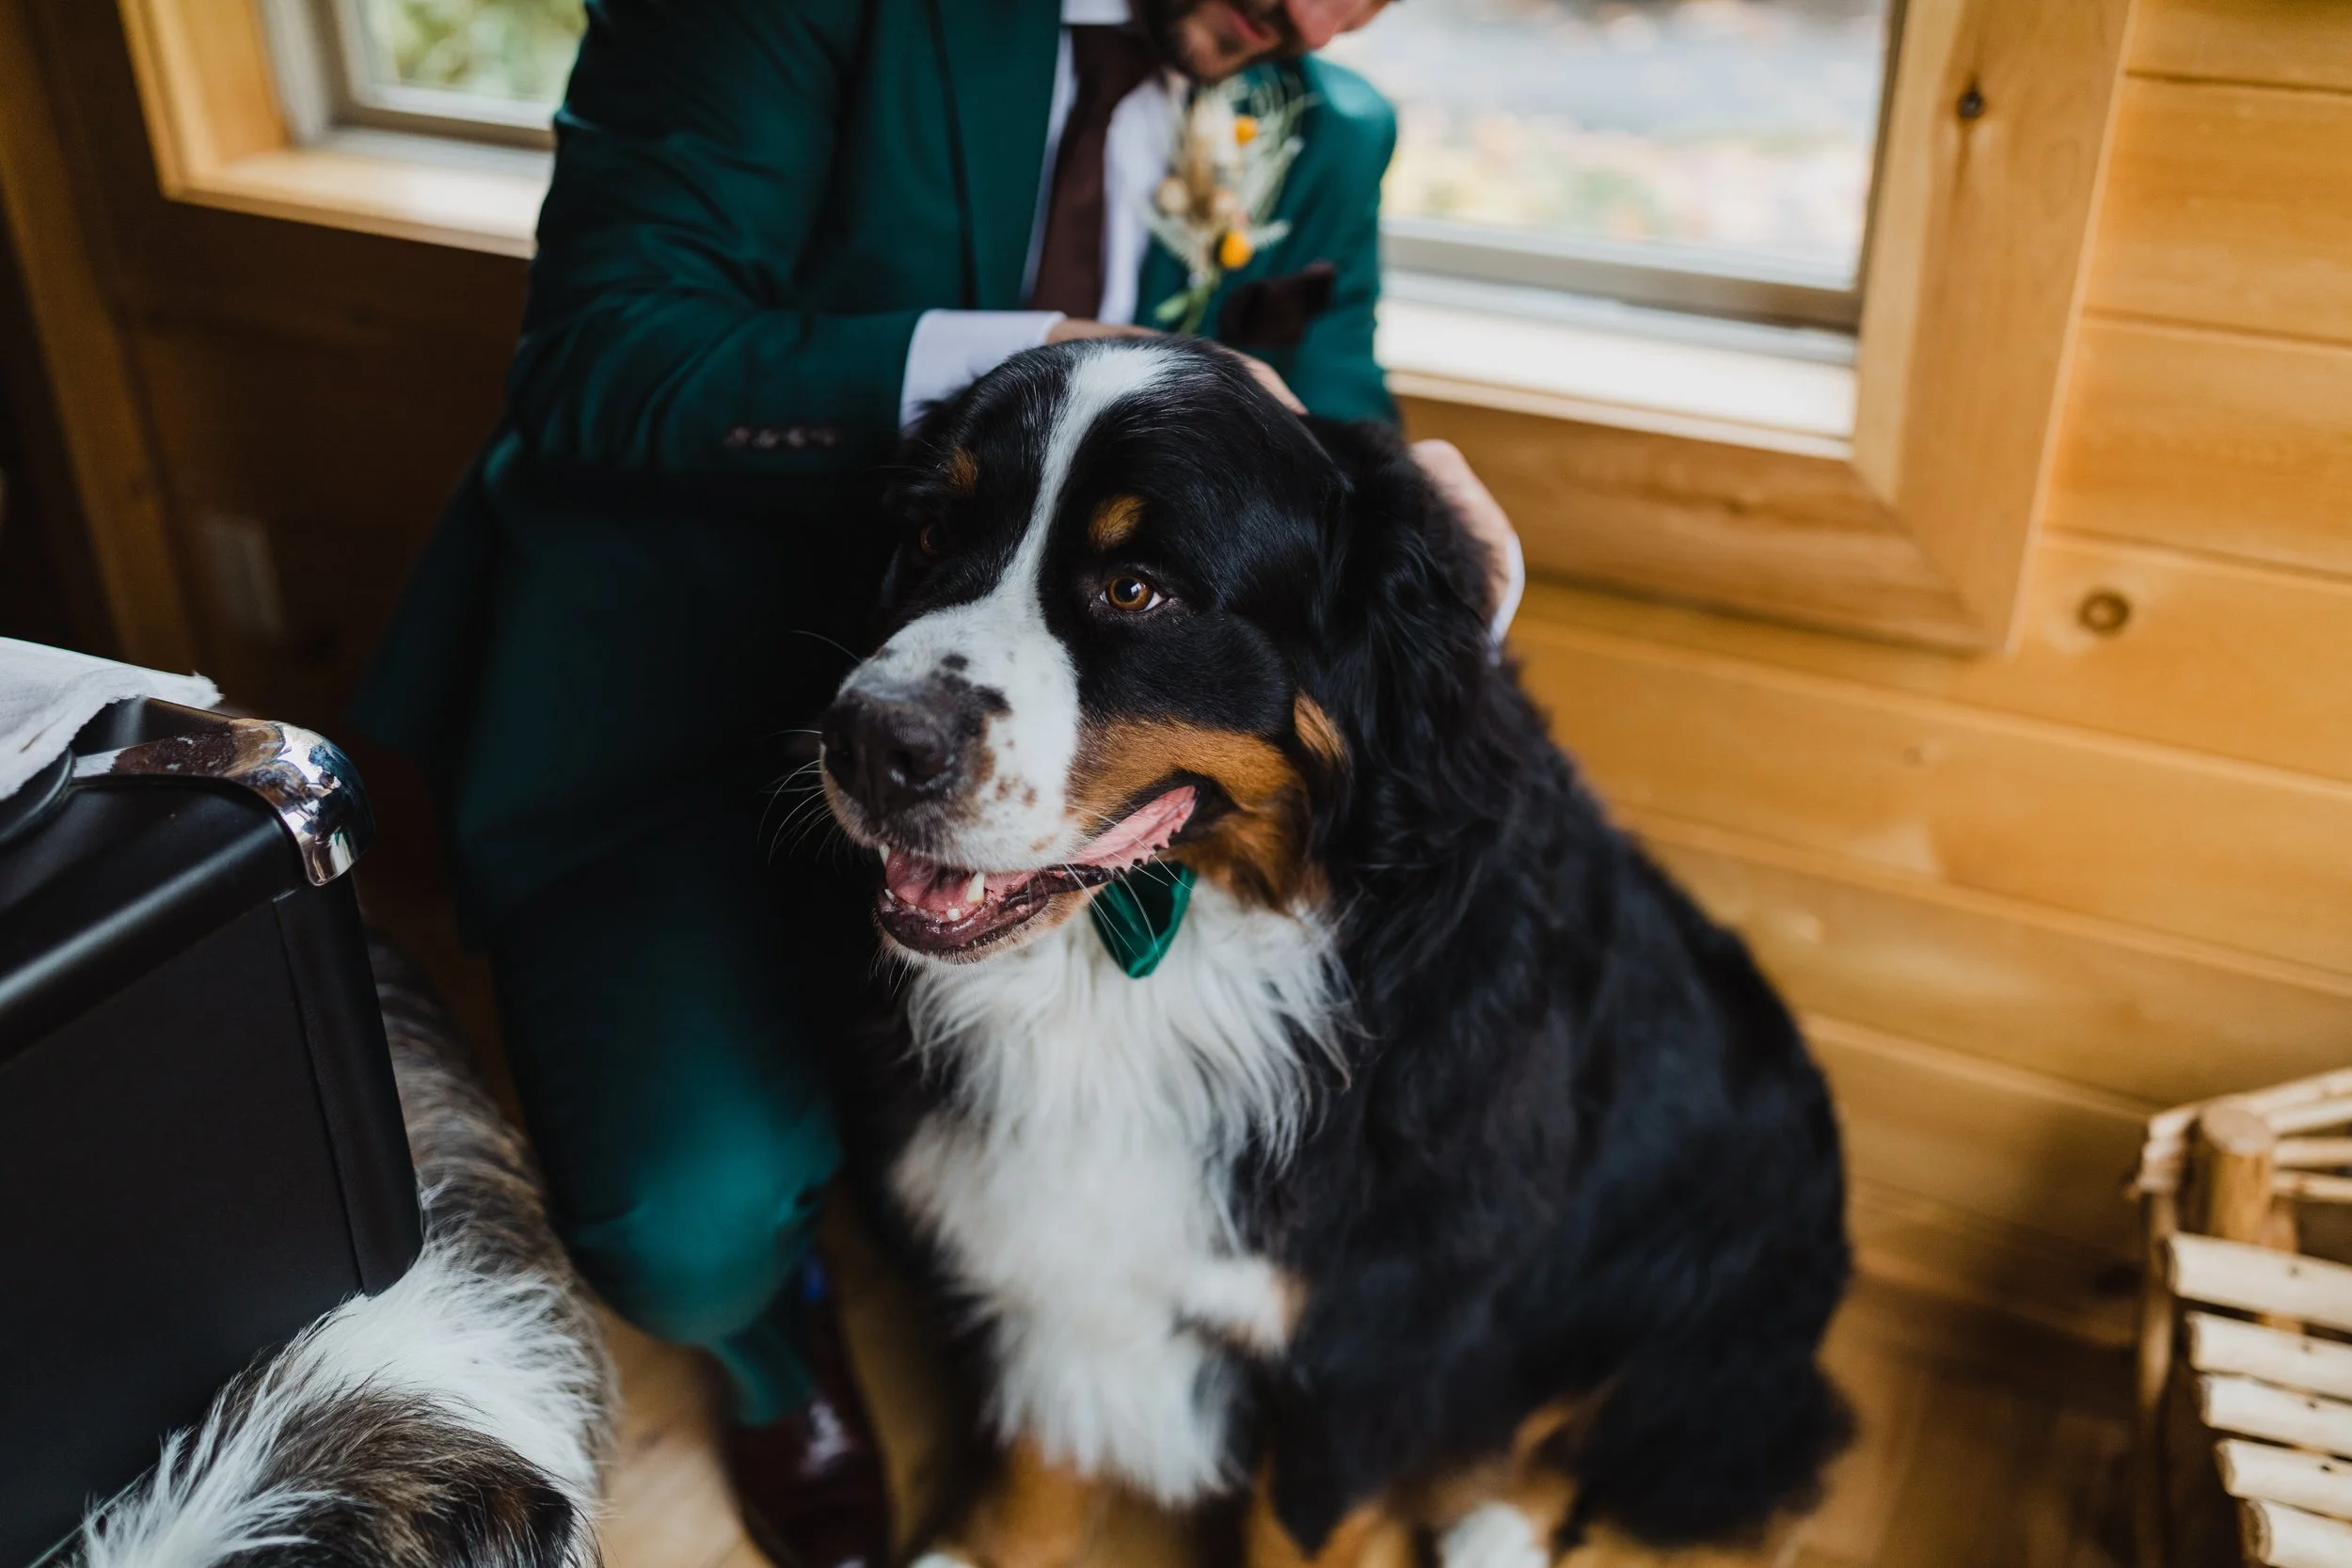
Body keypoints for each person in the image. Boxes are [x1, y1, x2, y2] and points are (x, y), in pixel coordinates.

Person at [354, 2, 1522, 1564]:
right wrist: (1047, 363)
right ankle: (774, 1354)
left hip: (1035, 751)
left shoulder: (1321, 126)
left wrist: (1430, 537)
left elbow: (1320, 431)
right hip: (675, 694)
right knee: (685, 1225)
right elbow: (601, 354)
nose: (1316, 16)